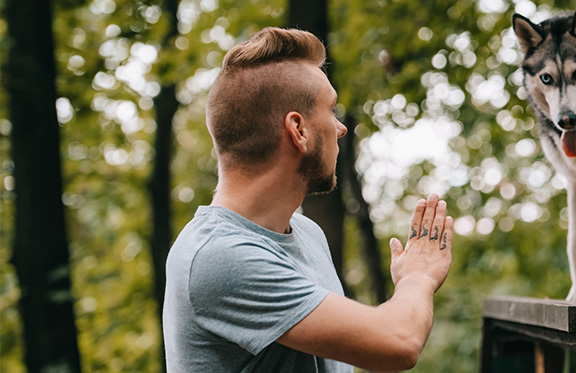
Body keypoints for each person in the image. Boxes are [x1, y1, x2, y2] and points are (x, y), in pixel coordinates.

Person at [162, 27, 454, 372]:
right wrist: (418, 277)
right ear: (298, 130)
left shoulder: (305, 233)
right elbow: (398, 341)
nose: (341, 127)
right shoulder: (218, 256)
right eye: (331, 110)